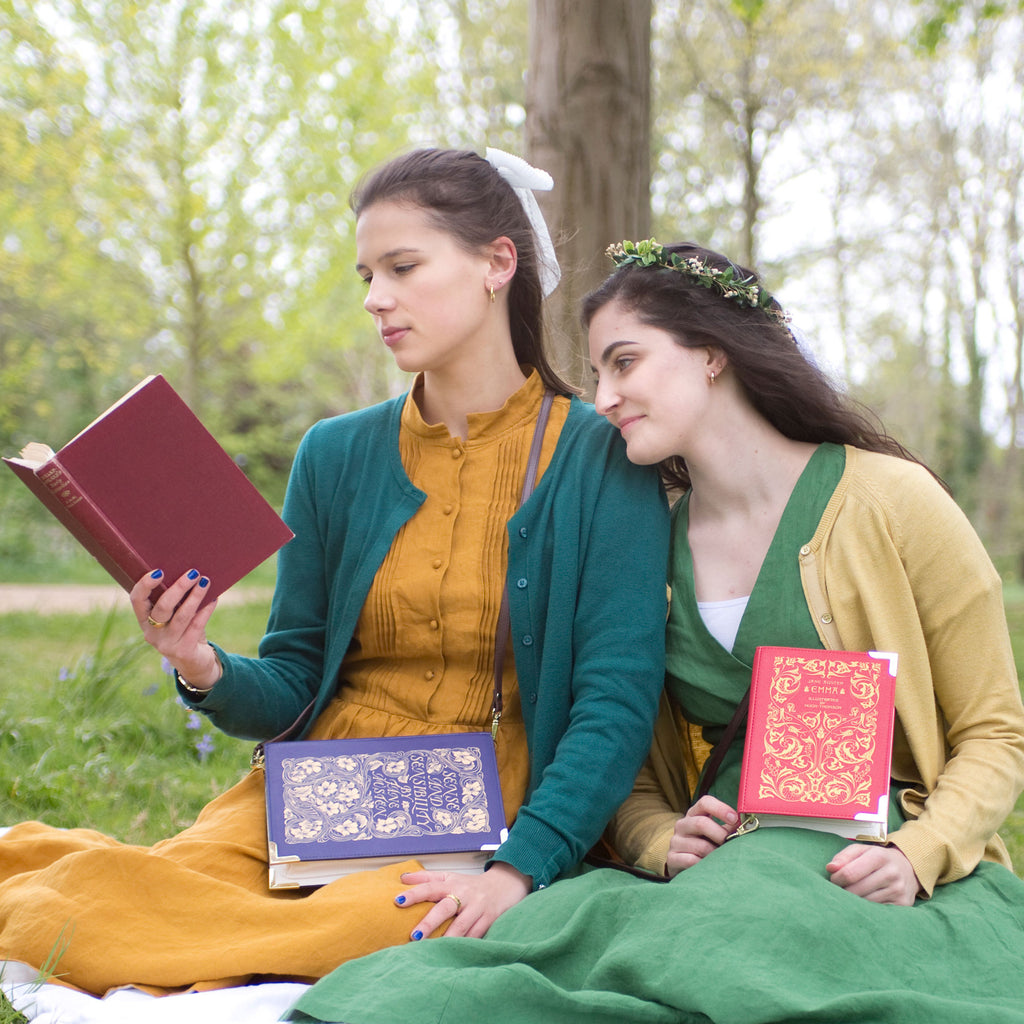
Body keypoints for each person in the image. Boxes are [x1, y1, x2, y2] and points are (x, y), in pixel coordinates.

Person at [285, 239, 1024, 1024]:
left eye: (625, 363)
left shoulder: (893, 501)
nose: (603, 397)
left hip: (868, 860)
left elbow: (995, 732)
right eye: (598, 373)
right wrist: (657, 839)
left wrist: (919, 855)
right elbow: (622, 741)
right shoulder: (652, 539)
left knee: (725, 957)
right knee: (527, 953)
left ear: (712, 354)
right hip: (723, 867)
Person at [0, 154, 670, 996]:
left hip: (488, 813)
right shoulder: (334, 453)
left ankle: (219, 942)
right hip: (325, 791)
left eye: (402, 268)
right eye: (366, 275)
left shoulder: (599, 457)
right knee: (75, 914)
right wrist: (198, 664)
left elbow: (615, 701)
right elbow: (290, 683)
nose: (374, 299)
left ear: (498, 264)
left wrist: (516, 873)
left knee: (372, 926)